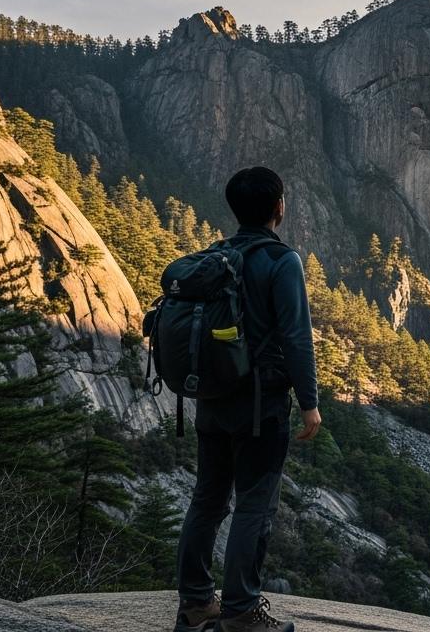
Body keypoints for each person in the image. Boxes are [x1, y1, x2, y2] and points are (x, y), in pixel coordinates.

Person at [174, 166, 321, 632]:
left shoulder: (217, 255)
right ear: (279, 207)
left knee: (207, 500)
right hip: (260, 406)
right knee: (255, 505)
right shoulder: (282, 261)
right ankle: (241, 613)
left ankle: (196, 604)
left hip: (213, 399)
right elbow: (296, 337)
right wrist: (310, 402)